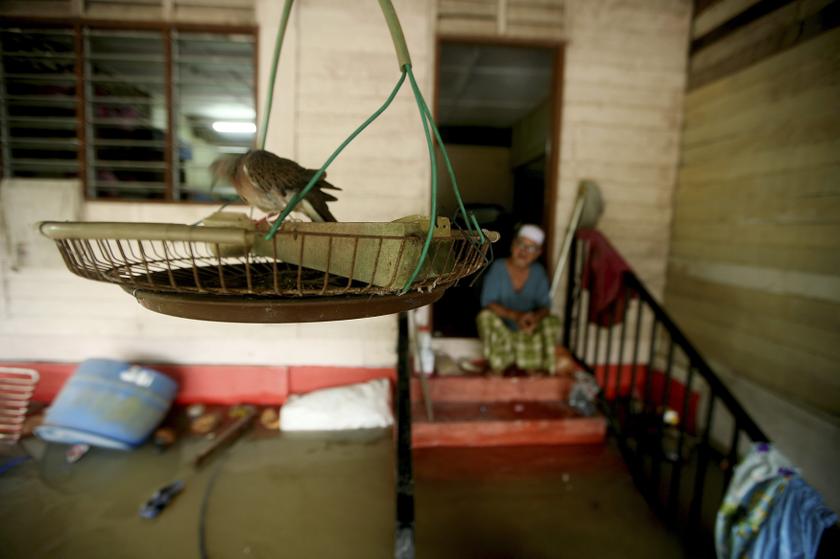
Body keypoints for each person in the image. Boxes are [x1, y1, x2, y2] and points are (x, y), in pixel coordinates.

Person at [476, 224, 561, 375]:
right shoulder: (499, 268)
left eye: (531, 248)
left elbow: (545, 306)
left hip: (527, 330)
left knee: (552, 321)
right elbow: (488, 303)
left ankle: (534, 366)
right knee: (485, 317)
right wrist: (516, 316)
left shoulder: (538, 273)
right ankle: (499, 365)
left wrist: (534, 319)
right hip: (504, 330)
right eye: (521, 244)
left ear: (538, 253)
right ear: (513, 245)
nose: (523, 251)